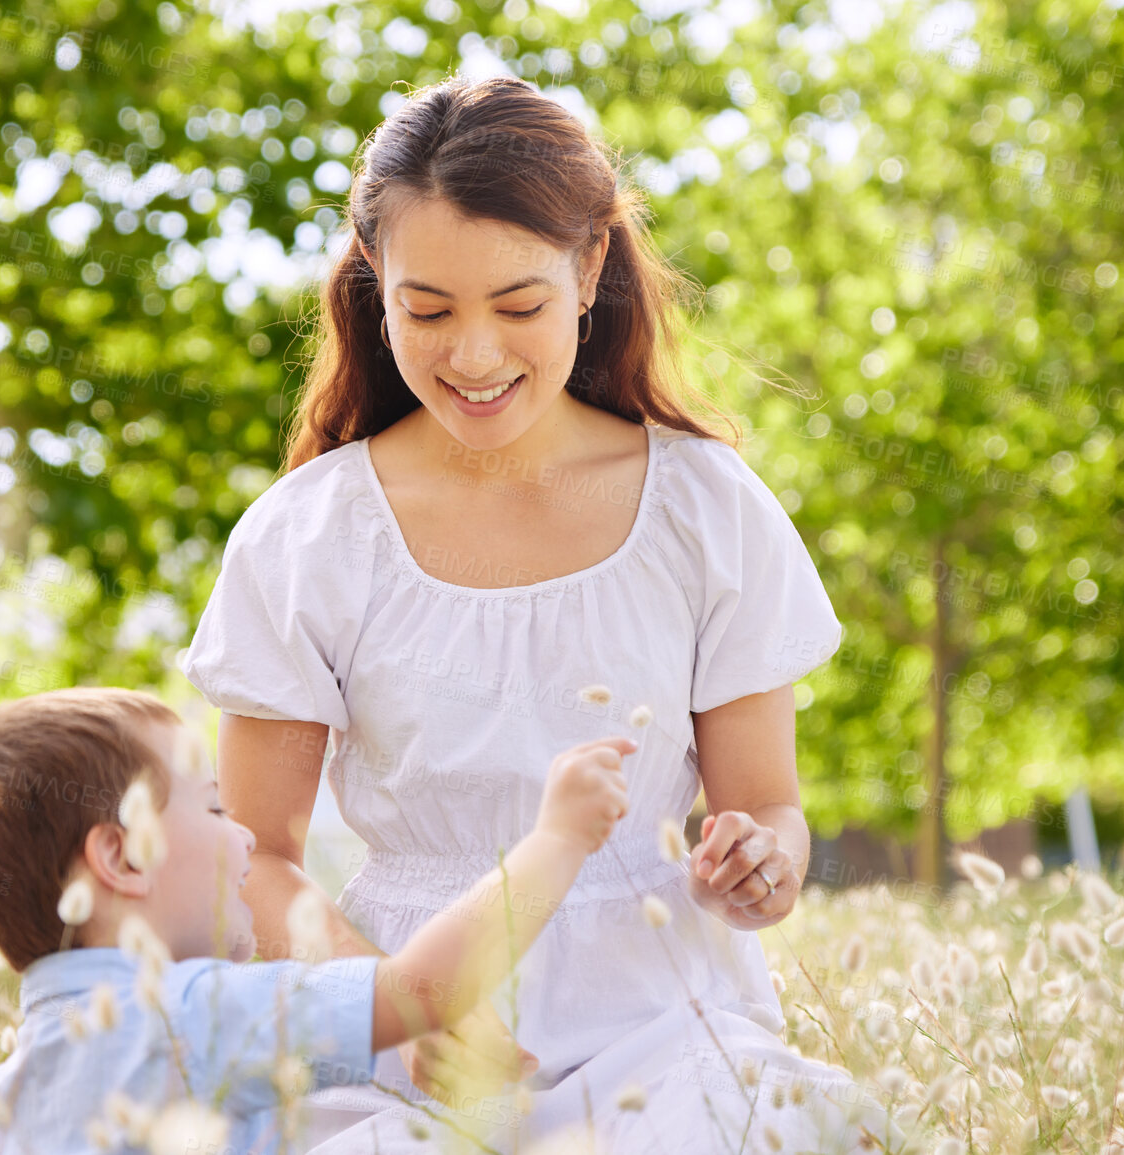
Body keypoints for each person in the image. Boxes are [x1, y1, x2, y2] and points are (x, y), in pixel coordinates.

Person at [179, 76, 904, 1152]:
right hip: (405, 1028)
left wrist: (766, 866)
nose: (473, 356)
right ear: (375, 281)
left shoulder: (705, 506)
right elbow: (260, 857)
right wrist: (391, 1013)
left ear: (591, 267)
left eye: (518, 306)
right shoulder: (308, 536)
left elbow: (770, 811)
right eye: (427, 310)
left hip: (663, 1020)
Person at [0, 685, 636, 1155]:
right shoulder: (191, 1015)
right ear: (123, 854)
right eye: (211, 807)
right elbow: (423, 991)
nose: (242, 835)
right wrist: (558, 841)